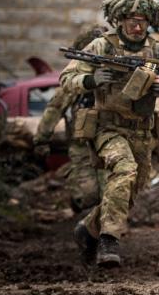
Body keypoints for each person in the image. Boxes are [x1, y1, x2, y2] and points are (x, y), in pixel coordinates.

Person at [59, 0, 159, 267]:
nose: (136, 26)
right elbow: (67, 77)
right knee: (124, 170)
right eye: (131, 20)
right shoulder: (101, 47)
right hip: (108, 128)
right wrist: (91, 80)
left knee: (131, 187)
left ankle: (88, 229)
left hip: (143, 132)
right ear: (118, 20)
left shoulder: (157, 51)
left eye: (142, 20)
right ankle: (109, 240)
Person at [33, 25, 106, 213]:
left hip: (110, 143)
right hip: (81, 145)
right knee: (88, 194)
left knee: (111, 193)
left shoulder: (115, 76)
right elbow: (55, 109)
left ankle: (105, 231)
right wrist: (42, 139)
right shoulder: (75, 81)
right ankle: (78, 200)